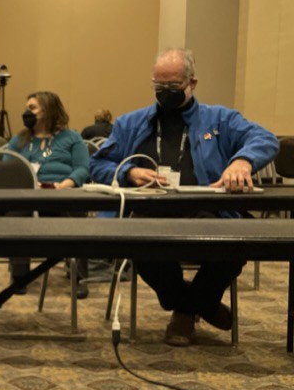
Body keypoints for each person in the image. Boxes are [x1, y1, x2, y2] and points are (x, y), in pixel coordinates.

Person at [90, 47, 279, 346]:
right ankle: (199, 305)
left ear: (192, 83)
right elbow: (97, 164)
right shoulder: (130, 123)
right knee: (136, 243)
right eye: (159, 87)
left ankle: (186, 309)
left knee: (238, 244)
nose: (165, 93)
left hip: (207, 212)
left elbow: (265, 139)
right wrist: (129, 173)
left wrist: (242, 161)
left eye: (173, 87)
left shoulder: (220, 119)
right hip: (149, 214)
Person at [6, 91, 90, 297]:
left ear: (48, 110)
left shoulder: (72, 138)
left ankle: (78, 276)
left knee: (77, 215)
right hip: (29, 196)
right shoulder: (20, 140)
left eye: (32, 108)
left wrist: (65, 185)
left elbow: (82, 168)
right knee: (18, 213)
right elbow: (6, 167)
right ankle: (19, 275)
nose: (27, 112)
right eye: (27, 108)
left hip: (62, 193)